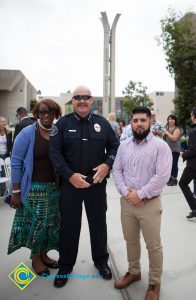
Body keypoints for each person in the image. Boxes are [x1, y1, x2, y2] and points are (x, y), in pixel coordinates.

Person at [49, 85, 119, 288]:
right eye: (77, 97)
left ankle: (101, 262)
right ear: (72, 101)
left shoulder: (103, 123)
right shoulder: (62, 124)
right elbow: (54, 152)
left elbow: (115, 146)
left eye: (85, 97)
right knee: (69, 227)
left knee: (98, 224)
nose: (81, 100)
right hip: (70, 185)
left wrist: (107, 165)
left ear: (91, 101)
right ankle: (65, 266)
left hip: (95, 183)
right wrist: (69, 175)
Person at [112, 107, 172, 300]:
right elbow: (117, 170)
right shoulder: (124, 146)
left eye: (143, 120)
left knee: (153, 246)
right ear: (131, 123)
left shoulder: (160, 146)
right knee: (131, 241)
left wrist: (140, 194)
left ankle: (154, 283)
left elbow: (162, 175)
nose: (139, 124)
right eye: (135, 120)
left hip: (150, 204)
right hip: (127, 203)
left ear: (150, 122)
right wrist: (125, 192)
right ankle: (134, 271)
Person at [7, 99, 62, 277]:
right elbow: (15, 163)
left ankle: (44, 254)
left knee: (49, 225)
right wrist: (15, 192)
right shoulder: (27, 133)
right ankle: (35, 259)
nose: (47, 116)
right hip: (33, 189)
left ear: (56, 115)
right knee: (37, 224)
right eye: (43, 112)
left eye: (51, 112)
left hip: (53, 188)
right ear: (36, 114)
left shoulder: (57, 132)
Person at [179, 107, 196, 219]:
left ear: (194, 116)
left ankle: (195, 208)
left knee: (182, 183)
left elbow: (195, 149)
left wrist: (184, 154)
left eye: (192, 114)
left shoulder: (194, 131)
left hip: (194, 163)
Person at [163, 114, 182, 186]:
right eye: (169, 119)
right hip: (167, 149)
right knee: (168, 164)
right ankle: (170, 178)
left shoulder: (177, 129)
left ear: (175, 120)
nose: (170, 120)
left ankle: (174, 178)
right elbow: (164, 137)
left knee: (174, 164)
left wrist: (167, 133)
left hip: (175, 149)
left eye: (172, 119)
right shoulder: (166, 128)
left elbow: (174, 138)